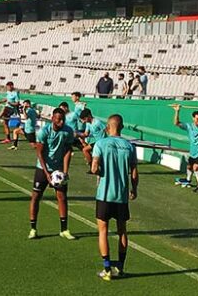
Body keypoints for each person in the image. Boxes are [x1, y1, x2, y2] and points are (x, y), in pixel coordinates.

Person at [90, 114, 139, 281]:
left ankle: (107, 269)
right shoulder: (130, 146)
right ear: (122, 127)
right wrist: (134, 189)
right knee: (122, 231)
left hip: (104, 194)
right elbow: (134, 171)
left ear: (108, 127)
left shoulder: (101, 144)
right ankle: (121, 267)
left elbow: (94, 168)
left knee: (103, 231)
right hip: (121, 196)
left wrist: (99, 169)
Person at [28, 108, 76, 240]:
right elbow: (39, 153)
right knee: (36, 196)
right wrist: (46, 173)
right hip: (43, 168)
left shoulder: (68, 131)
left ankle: (64, 230)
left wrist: (65, 171)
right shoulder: (44, 131)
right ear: (52, 119)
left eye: (63, 119)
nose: (61, 122)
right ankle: (33, 228)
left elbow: (67, 151)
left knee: (62, 198)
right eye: (58, 119)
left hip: (58, 170)